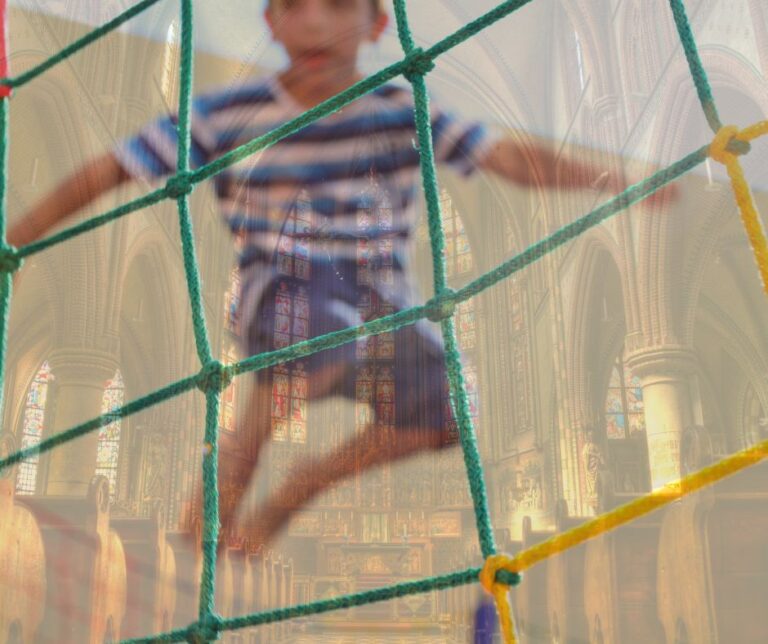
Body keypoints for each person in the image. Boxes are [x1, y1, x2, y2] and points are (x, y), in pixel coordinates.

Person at [8, 0, 676, 552]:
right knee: (319, 323)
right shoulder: (229, 111)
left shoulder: (401, 109)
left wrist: (608, 174)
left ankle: (300, 482)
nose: (318, 24)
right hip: (290, 288)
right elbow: (112, 168)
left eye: (338, 6)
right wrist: (16, 237)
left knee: (448, 416)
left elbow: (505, 156)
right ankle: (232, 471)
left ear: (377, 24)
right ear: (271, 21)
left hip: (380, 304)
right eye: (297, 6)